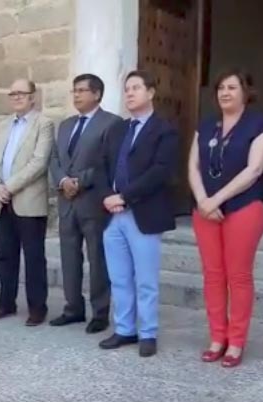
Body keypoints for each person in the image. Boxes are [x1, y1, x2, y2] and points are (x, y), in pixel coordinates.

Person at [188, 69, 263, 367]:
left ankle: (236, 342)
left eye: (232, 87)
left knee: (238, 276)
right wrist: (202, 201)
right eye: (221, 87)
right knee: (212, 275)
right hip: (205, 210)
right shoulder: (207, 124)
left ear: (245, 92)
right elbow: (193, 165)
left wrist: (215, 200)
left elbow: (254, 170)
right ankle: (216, 338)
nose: (225, 92)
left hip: (244, 208)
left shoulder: (259, 124)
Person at [97, 70, 179, 358]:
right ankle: (124, 329)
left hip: (143, 213)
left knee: (145, 279)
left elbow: (160, 171)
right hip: (113, 215)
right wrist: (108, 196)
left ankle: (148, 332)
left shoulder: (164, 129)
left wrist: (125, 196)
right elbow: (103, 165)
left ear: (151, 92)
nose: (129, 93)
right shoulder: (118, 129)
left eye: (136, 88)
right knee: (119, 277)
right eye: (126, 88)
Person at [48, 74, 121, 334]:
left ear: (97, 94)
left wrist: (81, 181)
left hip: (93, 202)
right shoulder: (66, 125)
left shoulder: (112, 123)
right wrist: (63, 180)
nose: (76, 95)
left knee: (97, 259)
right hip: (67, 201)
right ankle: (73, 308)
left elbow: (110, 164)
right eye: (74, 91)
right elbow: (55, 158)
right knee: (69, 257)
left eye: (82, 91)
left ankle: (100, 312)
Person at [0, 79, 54, 326]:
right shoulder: (2, 126)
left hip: (28, 201)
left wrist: (8, 187)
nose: (16, 97)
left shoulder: (43, 124)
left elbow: (39, 162)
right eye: (12, 93)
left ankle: (37, 308)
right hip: (2, 201)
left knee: (34, 258)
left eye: (21, 93)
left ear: (33, 96)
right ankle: (5, 303)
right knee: (6, 257)